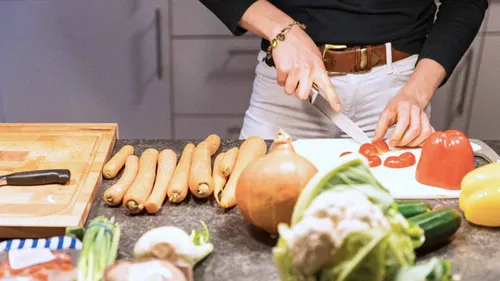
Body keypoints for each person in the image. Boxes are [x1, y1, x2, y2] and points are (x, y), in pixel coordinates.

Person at [200, 0, 488, 147]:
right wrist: (280, 28)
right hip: (289, 88)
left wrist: (415, 94)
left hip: (395, 95)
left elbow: (465, 3)